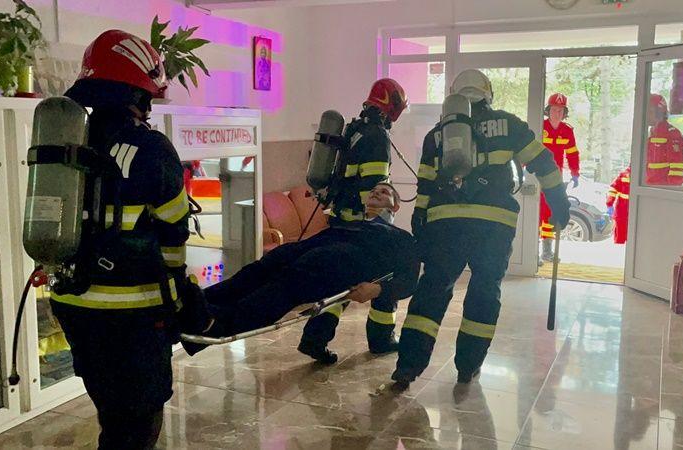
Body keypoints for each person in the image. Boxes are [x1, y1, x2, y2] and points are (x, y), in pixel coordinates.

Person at [49, 30, 190, 449]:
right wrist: (177, 287)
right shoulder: (150, 147)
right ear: (139, 93)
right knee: (140, 420)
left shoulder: (66, 143)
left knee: (111, 410)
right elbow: (174, 226)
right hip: (132, 312)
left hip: (73, 305)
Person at [391, 69, 571, 389]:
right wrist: (559, 204)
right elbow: (544, 163)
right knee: (484, 292)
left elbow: (425, 185)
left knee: (432, 290)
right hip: (494, 225)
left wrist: (420, 220)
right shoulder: (509, 125)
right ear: (488, 94)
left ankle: (408, 366)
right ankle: (468, 366)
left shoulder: (437, 134)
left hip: (446, 225)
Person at [201, 183, 420, 342]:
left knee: (278, 289)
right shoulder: (348, 225)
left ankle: (216, 323)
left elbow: (410, 281)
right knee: (257, 271)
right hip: (305, 252)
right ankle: (201, 300)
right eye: (374, 190)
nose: (376, 192)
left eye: (385, 192)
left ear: (395, 207)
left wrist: (377, 289)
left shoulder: (401, 238)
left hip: (329, 267)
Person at [298, 78, 409, 364]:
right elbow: (372, 188)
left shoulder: (354, 128)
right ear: (392, 106)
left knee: (341, 280)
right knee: (387, 274)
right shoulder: (377, 136)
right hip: (364, 226)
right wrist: (380, 225)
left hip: (341, 219)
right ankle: (382, 338)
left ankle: (315, 338)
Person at [540, 92, 580, 262]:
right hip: (537, 175)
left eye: (561, 110)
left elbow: (572, 154)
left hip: (556, 179)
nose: (557, 113)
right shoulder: (540, 126)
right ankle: (531, 253)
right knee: (536, 212)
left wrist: (575, 173)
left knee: (551, 212)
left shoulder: (567, 131)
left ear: (565, 113)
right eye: (554, 109)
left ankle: (547, 252)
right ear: (548, 110)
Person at [646, 93, 683, 186]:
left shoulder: (672, 133)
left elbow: (677, 167)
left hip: (662, 189)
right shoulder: (648, 133)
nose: (646, 115)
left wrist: (671, 190)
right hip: (646, 187)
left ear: (659, 112)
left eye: (650, 111)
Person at [607, 166, 631, 244]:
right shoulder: (623, 175)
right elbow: (613, 189)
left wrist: (609, 204)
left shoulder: (625, 174)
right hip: (622, 208)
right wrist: (609, 204)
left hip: (625, 208)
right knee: (620, 233)